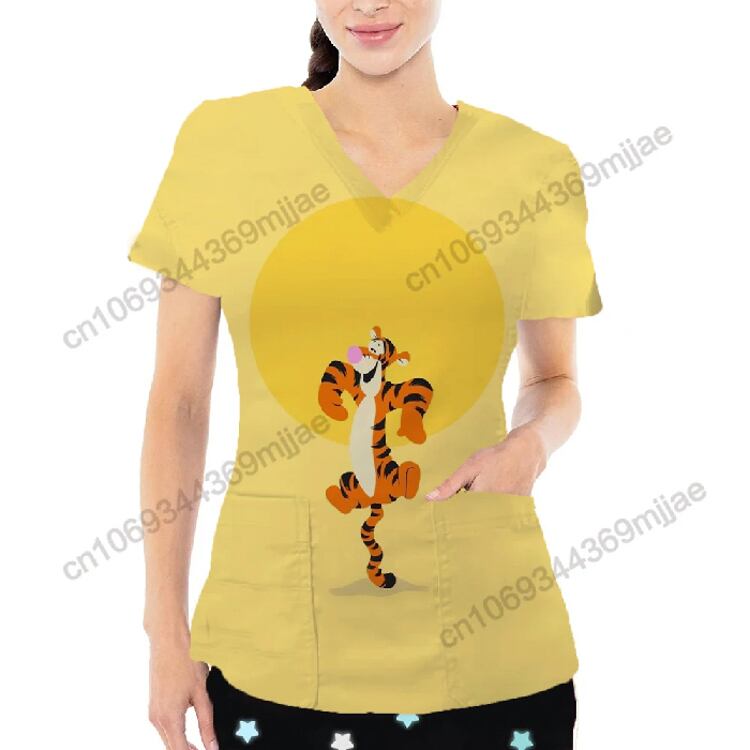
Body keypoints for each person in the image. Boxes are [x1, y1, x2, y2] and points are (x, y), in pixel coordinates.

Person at [128, 2, 602, 748]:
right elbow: (179, 404)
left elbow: (555, 383)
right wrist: (165, 631)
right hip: (274, 654)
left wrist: (533, 443)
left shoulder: (534, 170)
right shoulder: (224, 145)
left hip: (495, 658)